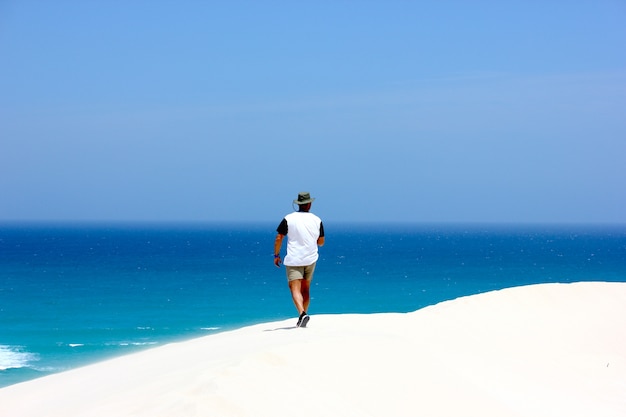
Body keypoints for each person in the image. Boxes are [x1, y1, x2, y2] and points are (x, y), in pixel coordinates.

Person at [274, 192, 325, 328]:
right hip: (311, 258)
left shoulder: (288, 218)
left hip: (294, 259)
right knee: (306, 288)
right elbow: (321, 242)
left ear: (298, 204)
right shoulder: (317, 220)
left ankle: (302, 314)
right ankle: (303, 315)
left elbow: (279, 237)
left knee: (294, 288)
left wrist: (276, 255)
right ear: (309, 204)